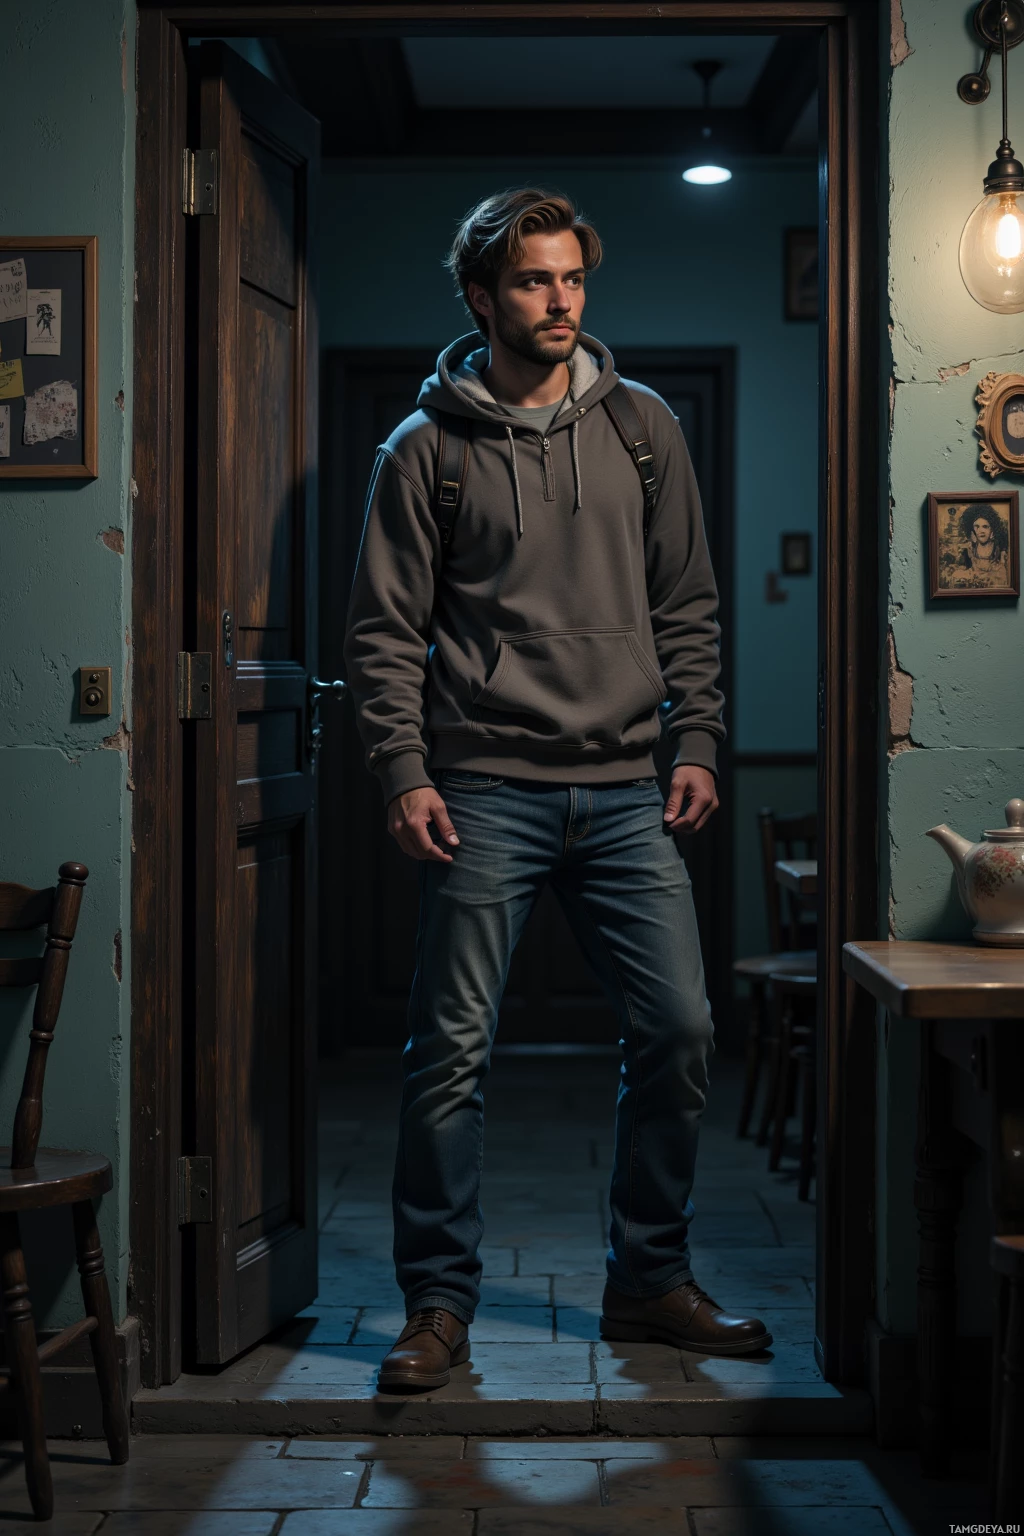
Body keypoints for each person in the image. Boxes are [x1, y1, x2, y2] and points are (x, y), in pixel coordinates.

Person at [344, 188, 772, 1393]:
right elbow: (383, 634)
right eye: (533, 281)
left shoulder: (643, 429)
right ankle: (437, 1303)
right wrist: (400, 770)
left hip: (629, 789)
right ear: (481, 295)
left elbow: (687, 602)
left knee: (682, 1029)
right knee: (451, 1054)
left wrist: (697, 744)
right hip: (483, 789)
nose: (559, 300)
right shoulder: (422, 451)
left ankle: (647, 1280)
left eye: (571, 279)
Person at [955, 504, 1010, 586]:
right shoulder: (971, 548)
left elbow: (1001, 572)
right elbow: (970, 568)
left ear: (992, 531)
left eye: (985, 527)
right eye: (977, 526)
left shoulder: (997, 548)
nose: (981, 531)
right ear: (972, 531)